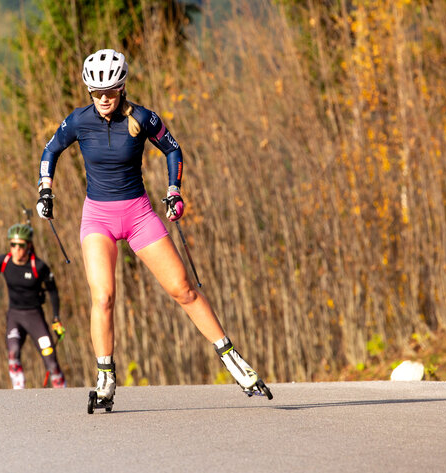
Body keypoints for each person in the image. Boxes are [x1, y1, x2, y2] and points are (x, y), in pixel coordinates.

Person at [35, 49, 270, 406]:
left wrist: (174, 191)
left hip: (139, 214)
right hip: (97, 217)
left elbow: (173, 150)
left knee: (183, 290)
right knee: (103, 297)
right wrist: (46, 190)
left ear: (122, 87)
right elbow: (50, 151)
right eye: (96, 93)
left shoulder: (143, 118)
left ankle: (235, 362)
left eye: (110, 92)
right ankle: (105, 380)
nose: (103, 99)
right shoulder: (78, 121)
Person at [0, 223, 66, 389]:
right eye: (13, 245)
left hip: (34, 316)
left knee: (51, 361)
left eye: (21, 245)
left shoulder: (39, 267)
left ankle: (61, 391)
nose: (16, 249)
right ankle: (19, 392)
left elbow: (53, 292)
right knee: (13, 352)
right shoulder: (5, 261)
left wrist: (56, 319)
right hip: (15, 316)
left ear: (29, 246)